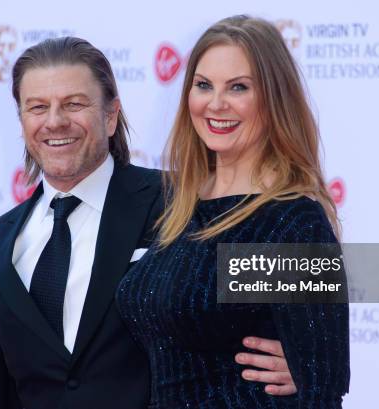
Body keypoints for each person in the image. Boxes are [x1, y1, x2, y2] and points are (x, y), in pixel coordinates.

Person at [0, 36, 298, 409]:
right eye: (37, 108)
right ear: (23, 120)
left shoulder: (182, 202)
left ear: (110, 115)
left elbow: (311, 265)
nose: (55, 122)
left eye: (74, 104)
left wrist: (308, 359)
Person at [116, 15, 350, 408]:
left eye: (238, 87)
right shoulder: (177, 204)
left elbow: (323, 385)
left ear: (274, 99)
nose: (216, 103)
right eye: (203, 85)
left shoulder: (288, 222)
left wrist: (308, 372)